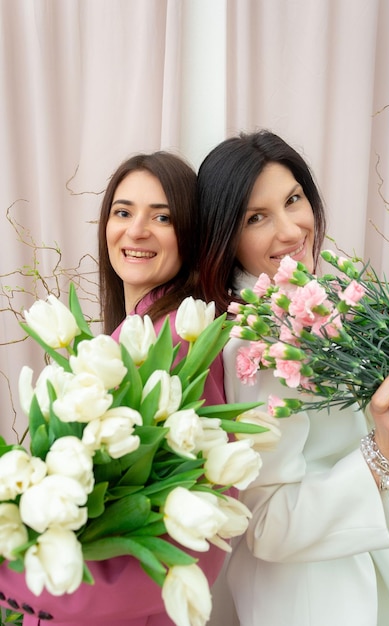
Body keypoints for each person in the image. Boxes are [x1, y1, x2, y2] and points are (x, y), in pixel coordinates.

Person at [196, 130, 389, 626]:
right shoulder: (260, 344)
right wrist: (383, 460)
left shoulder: (308, 308)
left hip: (340, 572)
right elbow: (268, 523)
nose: (292, 229)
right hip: (310, 598)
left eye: (293, 199)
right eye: (257, 218)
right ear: (225, 236)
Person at [0, 152, 226, 625]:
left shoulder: (181, 352)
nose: (136, 230)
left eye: (162, 217)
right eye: (123, 212)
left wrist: (13, 576)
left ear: (191, 234)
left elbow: (183, 541)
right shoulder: (130, 337)